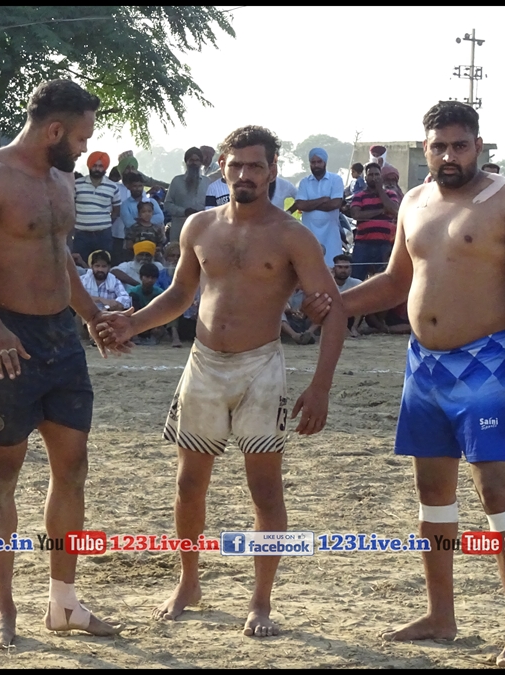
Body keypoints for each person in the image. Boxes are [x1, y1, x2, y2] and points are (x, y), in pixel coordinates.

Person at [305, 100, 505, 667]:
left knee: (496, 492)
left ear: (478, 146)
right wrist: (336, 303)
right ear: (426, 148)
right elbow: (396, 282)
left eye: (459, 145)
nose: (449, 156)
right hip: (424, 369)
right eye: (439, 147)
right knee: (433, 495)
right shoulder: (413, 201)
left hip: (487, 365)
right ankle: (441, 616)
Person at [95, 124, 347, 636]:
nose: (245, 174)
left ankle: (261, 600)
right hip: (205, 363)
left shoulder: (292, 235)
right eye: (237, 165)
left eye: (255, 166)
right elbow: (180, 296)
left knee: (265, 489)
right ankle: (188, 580)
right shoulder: (199, 226)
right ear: (222, 169)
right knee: (189, 484)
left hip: (261, 367)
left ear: (272, 171)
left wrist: (320, 385)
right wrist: (132, 323)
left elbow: (332, 310)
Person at [0, 78, 123, 648]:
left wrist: (91, 314)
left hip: (61, 338)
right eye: (82, 137)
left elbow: (58, 253)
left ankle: (63, 603)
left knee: (73, 468)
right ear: (54, 130)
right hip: (7, 339)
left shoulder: (61, 178)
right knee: (2, 476)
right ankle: (4, 610)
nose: (86, 148)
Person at [293, 148, 346, 267]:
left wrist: (309, 205)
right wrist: (323, 200)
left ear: (325, 163)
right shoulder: (304, 182)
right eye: (313, 162)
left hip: (331, 234)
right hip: (309, 234)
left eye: (319, 162)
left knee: (332, 267)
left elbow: (335, 204)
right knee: (309, 266)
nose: (316, 165)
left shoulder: (335, 180)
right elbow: (300, 205)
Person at [349, 163, 401, 280]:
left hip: (384, 243)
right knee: (357, 278)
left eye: (377, 175)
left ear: (381, 177)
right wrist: (382, 210)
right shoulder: (359, 196)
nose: (374, 178)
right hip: (363, 243)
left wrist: (380, 190)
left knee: (383, 278)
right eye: (371, 175)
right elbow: (356, 215)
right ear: (365, 178)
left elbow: (394, 210)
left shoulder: (390, 194)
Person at [72, 151, 122, 260]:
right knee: (79, 265)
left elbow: (116, 210)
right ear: (89, 166)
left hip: (103, 235)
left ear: (105, 168)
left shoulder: (112, 187)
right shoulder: (77, 184)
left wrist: (105, 222)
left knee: (103, 264)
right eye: (94, 166)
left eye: (100, 166)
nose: (97, 169)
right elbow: (71, 207)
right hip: (81, 235)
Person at [164, 148, 210, 241]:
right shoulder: (176, 181)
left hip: (202, 230)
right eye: (191, 160)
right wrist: (184, 211)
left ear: (201, 163)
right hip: (180, 229)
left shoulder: (207, 182)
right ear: (186, 162)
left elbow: (212, 206)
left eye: (197, 160)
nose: (194, 163)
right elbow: (167, 204)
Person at [331, 254, 363, 336]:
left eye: (346, 267)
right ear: (334, 268)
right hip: (331, 317)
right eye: (340, 267)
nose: (343, 270)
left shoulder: (357, 283)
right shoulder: (327, 283)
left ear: (351, 269)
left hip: (350, 317)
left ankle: (354, 328)